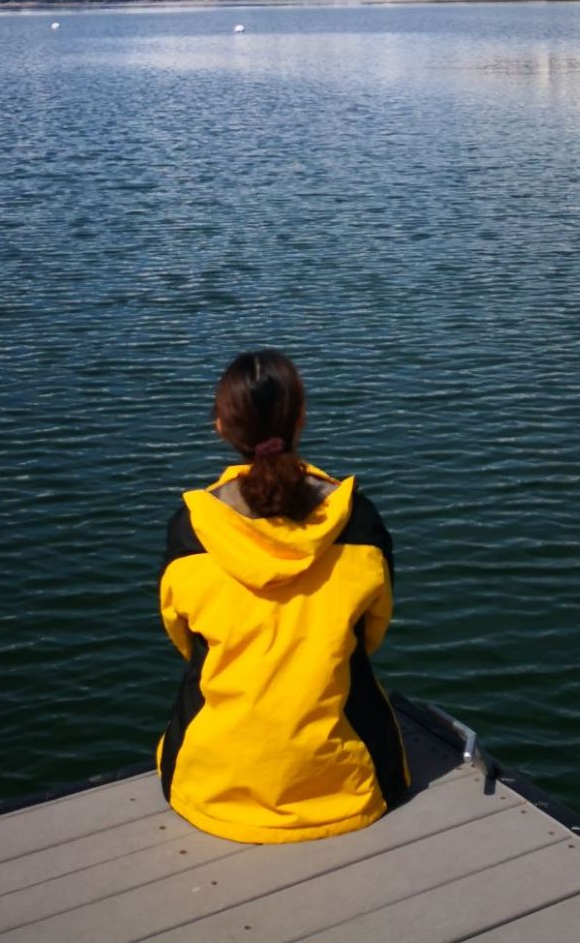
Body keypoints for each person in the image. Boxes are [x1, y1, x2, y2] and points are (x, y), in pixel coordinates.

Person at [156, 348, 409, 843]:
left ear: (222, 429)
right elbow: (371, 634)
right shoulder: (357, 521)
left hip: (209, 785)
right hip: (351, 785)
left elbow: (186, 642)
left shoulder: (192, 531)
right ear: (301, 418)